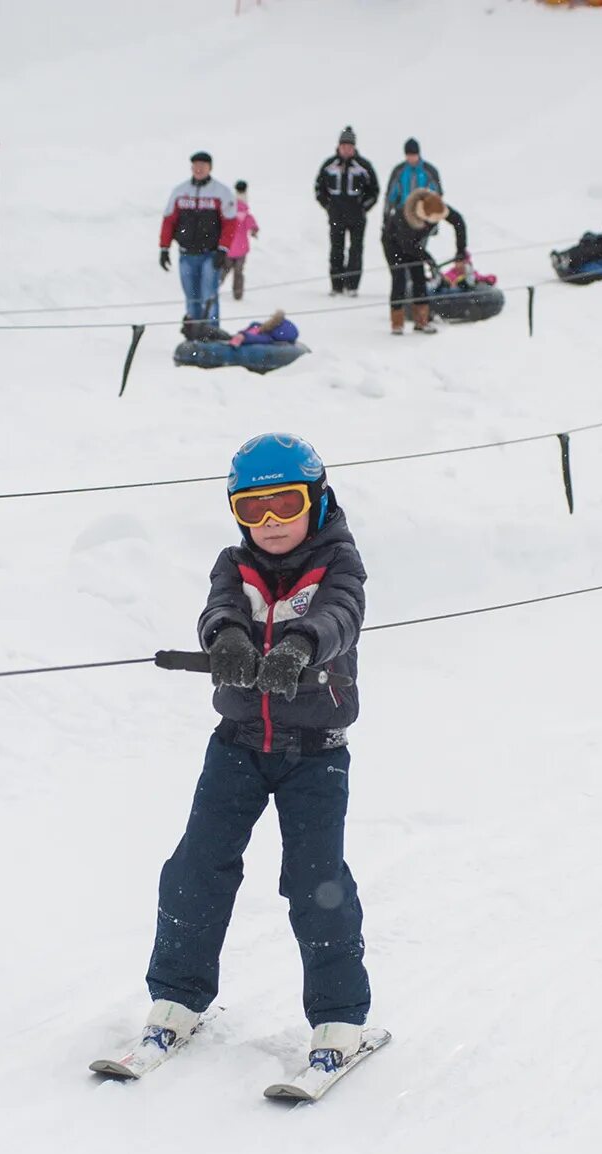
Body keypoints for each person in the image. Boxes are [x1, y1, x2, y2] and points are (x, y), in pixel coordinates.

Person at [138, 432, 372, 1074]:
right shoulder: (231, 564)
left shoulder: (340, 563)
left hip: (315, 754)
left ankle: (339, 1016)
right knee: (196, 867)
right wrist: (229, 640)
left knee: (315, 881)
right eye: (252, 509)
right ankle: (177, 1000)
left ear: (317, 500)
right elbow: (218, 610)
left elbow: (340, 615)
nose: (270, 524)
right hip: (237, 747)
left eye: (285, 505)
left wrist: (300, 646)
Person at [159, 150, 240, 338]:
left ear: (209, 168)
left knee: (209, 295)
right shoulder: (180, 191)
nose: (199, 169)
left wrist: (223, 249)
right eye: (195, 165)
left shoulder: (221, 192)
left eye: (202, 166)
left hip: (210, 254)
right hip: (187, 253)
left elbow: (230, 223)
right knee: (191, 297)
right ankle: (194, 334)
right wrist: (164, 248)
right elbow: (169, 220)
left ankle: (211, 333)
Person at [381, 188, 464, 335]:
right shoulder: (404, 216)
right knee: (399, 278)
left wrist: (460, 252)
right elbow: (407, 245)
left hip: (414, 244)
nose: (437, 222)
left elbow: (459, 223)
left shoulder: (436, 205)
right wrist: (428, 258)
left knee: (419, 278)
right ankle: (397, 323)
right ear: (424, 215)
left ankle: (421, 321)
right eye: (434, 220)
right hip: (393, 244)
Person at [314, 126, 379, 294]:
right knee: (336, 250)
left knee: (356, 250)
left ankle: (352, 285)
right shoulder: (329, 165)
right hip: (336, 215)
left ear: (354, 147)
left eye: (349, 146)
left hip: (357, 216)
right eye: (344, 146)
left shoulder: (363, 166)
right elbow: (319, 189)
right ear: (339, 146)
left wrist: (363, 207)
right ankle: (336, 285)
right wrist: (328, 206)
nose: (346, 149)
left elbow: (374, 190)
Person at [384, 138, 443, 215]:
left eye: (413, 155)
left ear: (418, 154)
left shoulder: (430, 171)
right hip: (403, 212)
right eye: (409, 155)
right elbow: (390, 196)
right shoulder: (398, 171)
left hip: (424, 213)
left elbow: (437, 194)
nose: (411, 158)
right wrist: (386, 216)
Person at [229, 180, 261, 300]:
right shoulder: (245, 214)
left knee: (222, 271)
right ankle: (238, 294)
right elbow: (250, 223)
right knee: (239, 272)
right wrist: (254, 230)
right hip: (241, 249)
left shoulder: (229, 211)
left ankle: (212, 289)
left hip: (228, 248)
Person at [227, 310, 298, 348]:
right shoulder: (259, 327)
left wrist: (243, 337)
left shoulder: (268, 336)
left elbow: (256, 338)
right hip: (241, 336)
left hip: (241, 338)